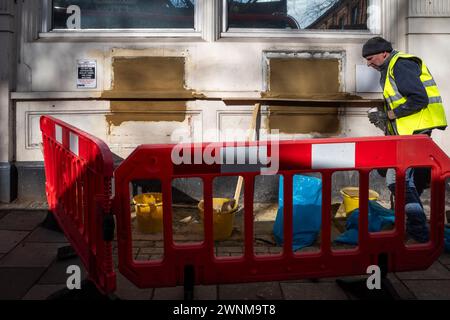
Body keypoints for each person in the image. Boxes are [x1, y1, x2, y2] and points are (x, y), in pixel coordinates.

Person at [362, 36, 447, 243]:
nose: (368, 63)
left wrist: (390, 115)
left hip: (415, 133)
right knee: (409, 182)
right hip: (410, 133)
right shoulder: (390, 68)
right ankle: (414, 226)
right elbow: (402, 102)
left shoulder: (400, 65)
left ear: (384, 53)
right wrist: (384, 120)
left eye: (371, 58)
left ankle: (418, 229)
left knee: (396, 179)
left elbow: (419, 99)